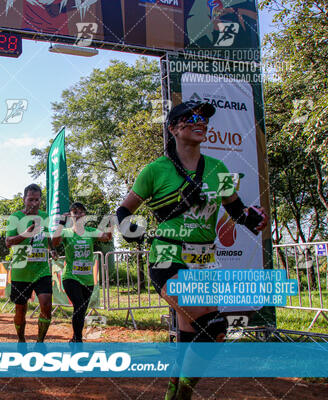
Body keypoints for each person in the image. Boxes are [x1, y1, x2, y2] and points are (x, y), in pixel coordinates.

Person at [116, 101, 268, 400]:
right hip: (167, 258)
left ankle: (178, 391)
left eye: (203, 119)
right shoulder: (155, 170)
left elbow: (237, 212)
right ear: (173, 128)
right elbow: (123, 211)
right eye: (190, 118)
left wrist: (254, 218)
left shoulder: (218, 168)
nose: (200, 122)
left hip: (204, 262)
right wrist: (132, 231)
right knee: (213, 325)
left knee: (192, 336)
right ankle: (181, 393)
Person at [51, 202, 111, 342]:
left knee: (82, 309)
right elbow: (54, 241)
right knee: (78, 306)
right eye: (75, 212)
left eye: (81, 212)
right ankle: (78, 339)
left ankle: (74, 338)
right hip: (71, 277)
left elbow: (107, 237)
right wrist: (61, 222)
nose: (78, 215)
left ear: (85, 215)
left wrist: (111, 222)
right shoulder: (66, 232)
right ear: (71, 215)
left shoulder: (90, 231)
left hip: (88, 279)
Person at [5, 184, 52, 343]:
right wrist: (27, 233)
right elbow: (8, 242)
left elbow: (48, 239)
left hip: (42, 270)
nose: (34, 203)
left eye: (37, 199)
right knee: (20, 309)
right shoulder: (15, 217)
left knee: (46, 305)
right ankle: (21, 339)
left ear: (40, 200)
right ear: (24, 199)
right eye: (30, 199)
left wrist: (52, 248)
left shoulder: (45, 217)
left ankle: (40, 342)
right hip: (21, 270)